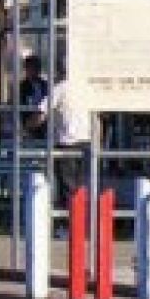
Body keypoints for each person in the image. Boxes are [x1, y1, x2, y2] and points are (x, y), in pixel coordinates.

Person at [47, 68, 95, 211]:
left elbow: (43, 110)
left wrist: (26, 127)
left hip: (66, 143)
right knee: (81, 185)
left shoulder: (60, 89)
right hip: (86, 142)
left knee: (66, 186)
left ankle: (68, 223)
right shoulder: (87, 88)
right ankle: (80, 222)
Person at [16, 54, 50, 138]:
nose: (33, 71)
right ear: (26, 69)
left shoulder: (45, 84)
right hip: (29, 121)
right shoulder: (22, 87)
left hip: (44, 120)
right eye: (30, 68)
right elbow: (20, 105)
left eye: (36, 68)